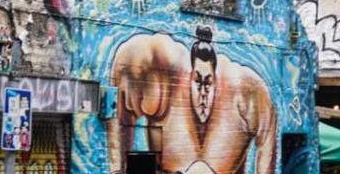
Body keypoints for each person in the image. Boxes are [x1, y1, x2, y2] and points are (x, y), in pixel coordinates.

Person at [106, 26, 276, 174]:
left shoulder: (247, 90)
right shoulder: (158, 68)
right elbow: (119, 118)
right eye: (198, 82)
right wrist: (118, 169)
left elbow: (267, 146)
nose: (203, 94)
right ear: (190, 75)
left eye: (208, 83)